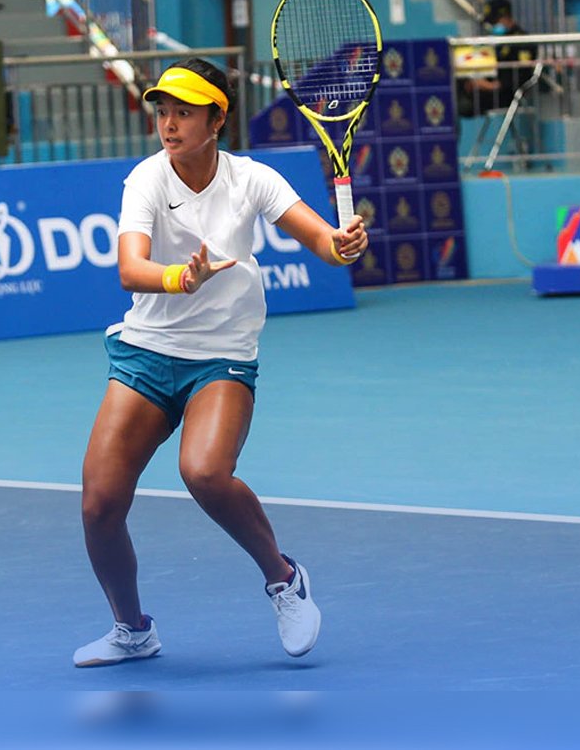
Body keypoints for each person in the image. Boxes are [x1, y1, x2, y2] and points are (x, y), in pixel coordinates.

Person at [72, 58, 368, 667]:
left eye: (184, 113)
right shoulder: (146, 179)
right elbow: (130, 268)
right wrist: (182, 278)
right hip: (147, 351)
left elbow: (320, 240)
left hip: (222, 356)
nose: (169, 124)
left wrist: (341, 246)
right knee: (99, 505)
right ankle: (132, 629)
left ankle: (284, 579)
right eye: (163, 111)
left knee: (205, 472)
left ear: (216, 121)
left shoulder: (252, 179)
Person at [457, 0, 537, 117]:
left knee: (462, 103)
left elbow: (521, 75)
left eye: (494, 22)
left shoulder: (522, 40)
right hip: (491, 89)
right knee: (458, 82)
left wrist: (490, 85)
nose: (492, 26)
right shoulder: (498, 41)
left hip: (507, 93)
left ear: (505, 18)